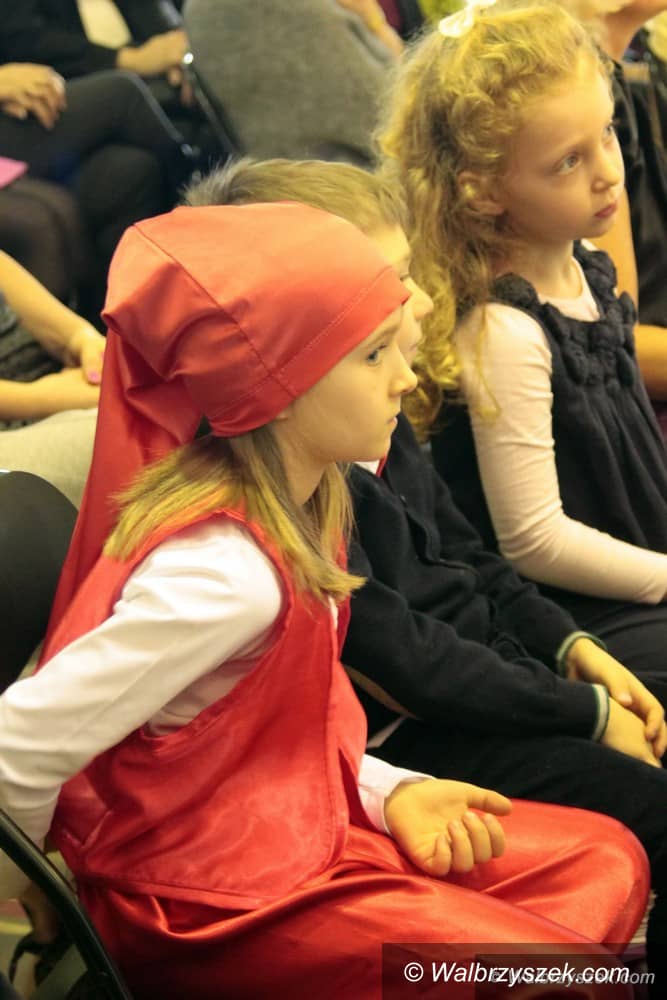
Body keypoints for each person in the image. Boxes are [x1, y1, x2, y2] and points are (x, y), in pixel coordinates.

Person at [0, 202, 648, 999]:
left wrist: (388, 792)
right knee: (558, 974)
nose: (405, 375)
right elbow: (17, 746)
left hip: (288, 828)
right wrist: (54, 898)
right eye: (372, 354)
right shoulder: (223, 579)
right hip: (207, 903)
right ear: (277, 385)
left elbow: (277, 736)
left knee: (607, 860)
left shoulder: (309, 503)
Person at [188, 153, 667, 995]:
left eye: (405, 272)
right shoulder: (294, 482)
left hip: (486, 686)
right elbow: (412, 663)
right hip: (402, 739)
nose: (413, 302)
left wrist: (573, 652)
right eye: (384, 284)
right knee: (646, 807)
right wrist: (584, 715)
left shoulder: (376, 405)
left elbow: (470, 559)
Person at [379, 0, 667, 634]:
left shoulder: (585, 265)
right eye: (568, 161)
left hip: (637, 557)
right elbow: (534, 540)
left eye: (608, 133)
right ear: (483, 191)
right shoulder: (505, 331)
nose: (608, 174)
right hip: (578, 610)